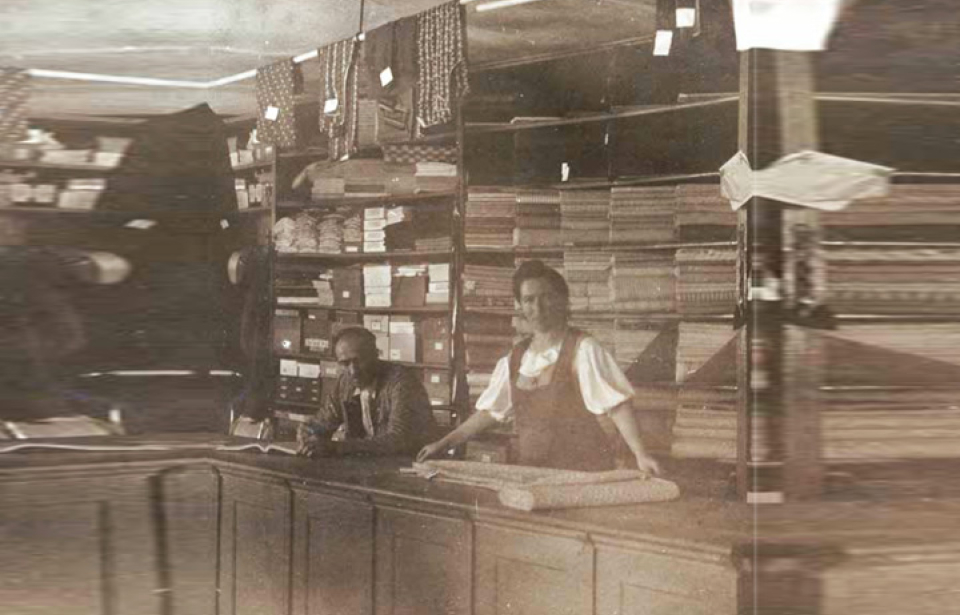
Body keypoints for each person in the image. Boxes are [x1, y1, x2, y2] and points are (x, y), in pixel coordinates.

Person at [417, 260, 660, 475]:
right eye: (529, 300)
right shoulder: (515, 358)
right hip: (532, 471)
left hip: (584, 472)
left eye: (546, 297)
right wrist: (445, 443)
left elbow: (617, 406)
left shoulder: (583, 349)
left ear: (562, 300)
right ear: (520, 306)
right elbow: (490, 412)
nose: (538, 307)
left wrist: (641, 454)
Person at [298, 326, 438, 457]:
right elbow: (323, 422)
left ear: (375, 355)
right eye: (345, 363)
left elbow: (397, 440)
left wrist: (336, 447)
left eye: (358, 361)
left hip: (408, 466)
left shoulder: (402, 382)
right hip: (366, 465)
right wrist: (309, 433)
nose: (353, 371)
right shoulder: (345, 382)